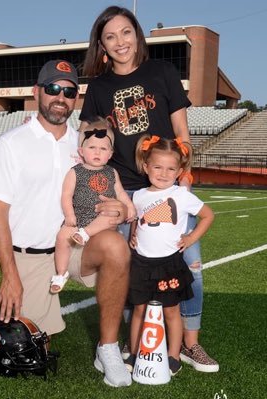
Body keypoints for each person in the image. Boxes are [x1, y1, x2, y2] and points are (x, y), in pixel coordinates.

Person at [79, 5, 219, 372]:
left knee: (191, 266)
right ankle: (130, 343)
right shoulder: (98, 87)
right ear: (102, 46)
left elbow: (182, 134)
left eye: (125, 32)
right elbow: (91, 140)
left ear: (137, 35)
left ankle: (190, 344)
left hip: (169, 185)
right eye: (110, 36)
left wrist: (184, 181)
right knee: (128, 270)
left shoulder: (163, 72)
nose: (120, 42)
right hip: (126, 193)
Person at [0, 60, 132, 387]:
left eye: (69, 91)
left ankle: (108, 347)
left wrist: (121, 211)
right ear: (37, 92)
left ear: (76, 98)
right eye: (53, 88)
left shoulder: (83, 142)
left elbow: (115, 192)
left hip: (74, 245)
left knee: (115, 246)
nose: (61, 97)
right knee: (29, 349)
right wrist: (10, 276)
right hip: (28, 254)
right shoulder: (13, 143)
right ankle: (30, 300)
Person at [126, 134, 214, 376]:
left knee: (171, 311)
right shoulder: (139, 195)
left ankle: (173, 356)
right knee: (139, 310)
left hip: (169, 264)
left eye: (170, 168)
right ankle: (134, 354)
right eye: (157, 167)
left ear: (179, 171)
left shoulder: (182, 195)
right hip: (141, 263)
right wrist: (133, 234)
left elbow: (208, 216)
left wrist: (191, 238)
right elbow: (138, 219)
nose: (163, 173)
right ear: (146, 167)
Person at [51, 119, 136, 293]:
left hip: (101, 221)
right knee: (61, 237)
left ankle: (86, 234)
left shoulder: (112, 172)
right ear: (81, 151)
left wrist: (130, 207)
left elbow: (120, 193)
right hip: (79, 220)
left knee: (111, 213)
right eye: (92, 148)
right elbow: (66, 195)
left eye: (103, 148)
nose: (97, 152)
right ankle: (61, 273)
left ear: (110, 154)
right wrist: (69, 215)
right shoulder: (75, 171)